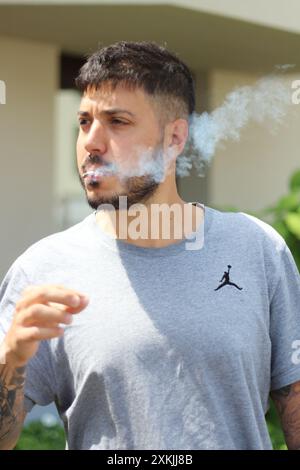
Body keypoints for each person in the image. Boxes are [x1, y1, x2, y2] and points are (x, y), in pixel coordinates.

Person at [0, 41, 300, 451]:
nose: (91, 142)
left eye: (117, 121)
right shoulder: (42, 269)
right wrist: (10, 360)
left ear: (175, 139)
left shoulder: (257, 249)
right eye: (84, 121)